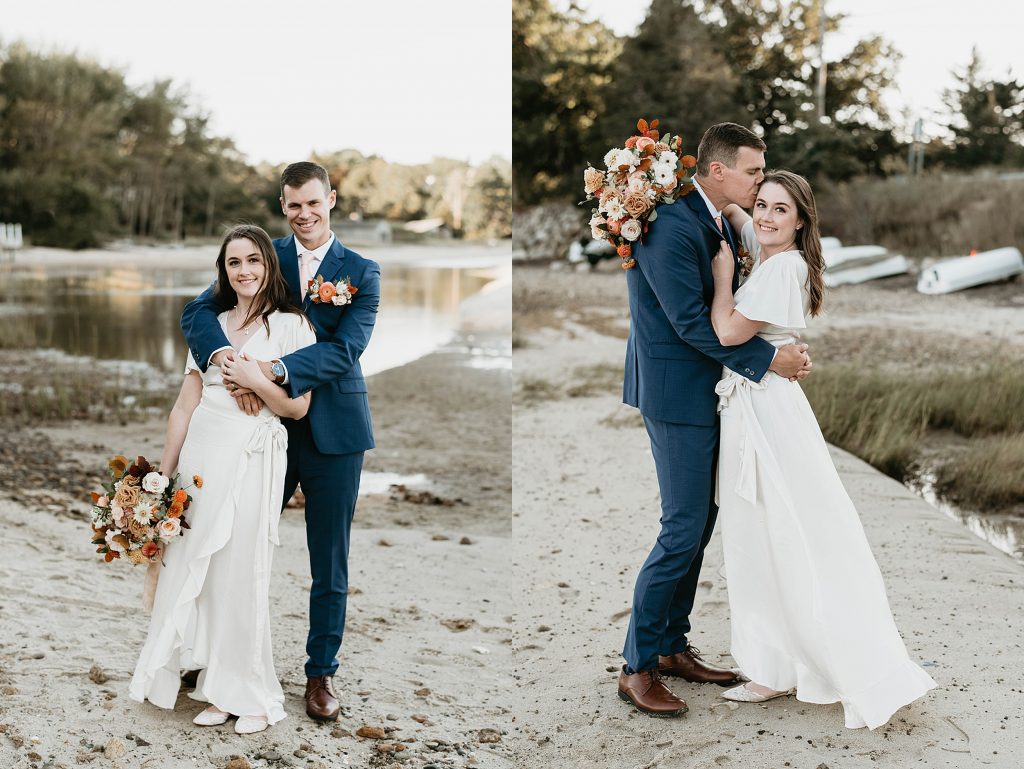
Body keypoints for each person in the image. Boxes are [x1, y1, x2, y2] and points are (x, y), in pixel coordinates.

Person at [710, 170, 935, 729]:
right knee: (777, 528)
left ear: (801, 219)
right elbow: (745, 223)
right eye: (760, 205)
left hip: (764, 411)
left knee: (770, 530)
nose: (764, 216)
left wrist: (720, 278)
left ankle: (773, 667)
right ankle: (774, 661)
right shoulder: (781, 261)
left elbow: (727, 334)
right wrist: (737, 216)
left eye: (779, 210)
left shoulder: (780, 266)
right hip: (767, 404)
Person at [618, 123, 812, 717]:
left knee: (701, 524)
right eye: (754, 172)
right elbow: (687, 323)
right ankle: (637, 666)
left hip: (712, 394)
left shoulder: (715, 218)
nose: (760, 183)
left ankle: (672, 646)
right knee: (680, 529)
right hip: (677, 394)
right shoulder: (671, 226)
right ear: (719, 169)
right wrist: (768, 358)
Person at [180, 162, 381, 722]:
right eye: (294, 205)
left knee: (329, 560)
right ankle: (219, 659)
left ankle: (321, 675)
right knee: (232, 543)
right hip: (263, 434)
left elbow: (345, 351)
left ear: (332, 200)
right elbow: (197, 310)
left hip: (334, 432)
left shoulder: (362, 271)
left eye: (313, 203)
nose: (304, 214)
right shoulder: (263, 256)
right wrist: (224, 359)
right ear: (283, 205)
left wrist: (266, 372)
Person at [129, 225, 317, 734]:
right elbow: (184, 404)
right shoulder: (208, 325)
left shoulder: (292, 326)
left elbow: (298, 408)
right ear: (224, 270)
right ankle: (216, 685)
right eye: (234, 263)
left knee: (242, 570)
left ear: (268, 266)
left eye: (254, 260)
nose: (245, 271)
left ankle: (251, 693)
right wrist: (161, 478)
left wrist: (255, 380)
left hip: (253, 453)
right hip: (200, 458)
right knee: (200, 569)